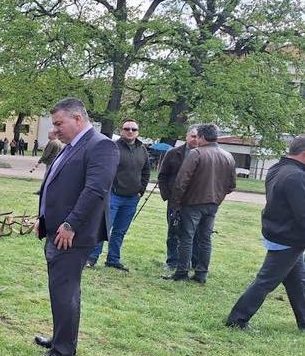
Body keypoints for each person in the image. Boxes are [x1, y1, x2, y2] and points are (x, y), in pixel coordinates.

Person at [33, 98, 119, 356]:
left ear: (78, 119)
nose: (56, 129)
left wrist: (71, 224)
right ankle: (61, 338)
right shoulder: (72, 145)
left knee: (65, 290)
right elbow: (57, 183)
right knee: (61, 290)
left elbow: (95, 190)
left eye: (60, 123)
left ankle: (63, 350)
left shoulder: (100, 146)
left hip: (72, 234)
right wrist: (44, 216)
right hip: (57, 230)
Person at [226, 136, 305, 330]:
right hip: (288, 237)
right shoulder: (295, 176)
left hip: (279, 231)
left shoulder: (277, 168)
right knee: (265, 281)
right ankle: (237, 320)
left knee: (297, 281)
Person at [164, 123, 236, 284]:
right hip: (213, 204)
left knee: (186, 238)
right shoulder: (228, 156)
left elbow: (182, 180)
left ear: (202, 137)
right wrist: (217, 195)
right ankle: (201, 273)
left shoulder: (196, 153)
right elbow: (231, 185)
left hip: (192, 203)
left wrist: (176, 202)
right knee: (205, 239)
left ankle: (182, 271)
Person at [86, 119, 150, 271]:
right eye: (127, 128)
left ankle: (113, 259)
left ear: (138, 132)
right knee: (104, 227)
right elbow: (103, 170)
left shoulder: (142, 149)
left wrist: (141, 190)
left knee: (120, 231)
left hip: (132, 198)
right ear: (121, 131)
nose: (130, 131)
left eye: (134, 129)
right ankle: (92, 258)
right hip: (113, 196)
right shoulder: (112, 147)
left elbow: (146, 171)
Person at [157, 127, 201, 270]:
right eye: (193, 136)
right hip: (175, 201)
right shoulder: (173, 153)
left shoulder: (205, 154)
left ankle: (193, 262)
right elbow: (162, 176)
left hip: (195, 201)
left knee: (196, 233)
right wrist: (167, 196)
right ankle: (172, 261)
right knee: (173, 231)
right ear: (187, 136)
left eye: (198, 136)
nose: (195, 139)